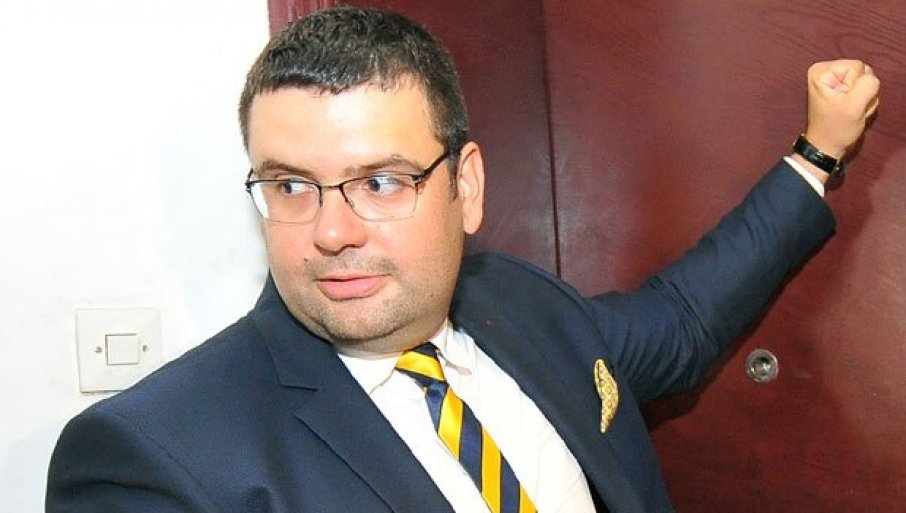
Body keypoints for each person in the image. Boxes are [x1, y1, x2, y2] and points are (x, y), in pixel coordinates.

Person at [46, 5, 880, 513]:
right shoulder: (152, 459)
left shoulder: (520, 306)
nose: (331, 231)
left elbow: (683, 321)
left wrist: (817, 154)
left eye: (379, 181)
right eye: (292, 185)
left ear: (467, 187)